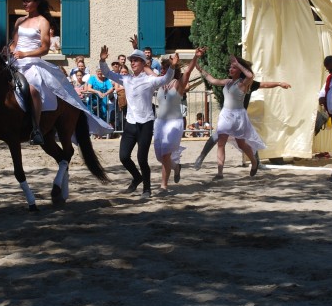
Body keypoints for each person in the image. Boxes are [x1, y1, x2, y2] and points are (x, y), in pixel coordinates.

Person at [10, 0, 112, 145]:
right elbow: (14, 44)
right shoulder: (19, 21)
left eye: (28, 1)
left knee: (33, 90)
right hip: (15, 61)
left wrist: (25, 54)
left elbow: (44, 48)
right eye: (24, 0)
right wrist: (10, 50)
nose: (24, 3)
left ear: (36, 3)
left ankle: (36, 129)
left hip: (31, 63)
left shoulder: (43, 21)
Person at [100, 45, 176, 199]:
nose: (132, 62)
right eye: (131, 60)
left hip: (146, 124)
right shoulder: (125, 78)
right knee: (123, 157)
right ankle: (137, 177)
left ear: (143, 63)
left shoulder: (149, 80)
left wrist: (172, 67)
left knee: (142, 159)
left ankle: (147, 189)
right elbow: (107, 73)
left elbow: (165, 79)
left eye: (136, 60)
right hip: (130, 124)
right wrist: (102, 60)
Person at [195, 50, 265, 179]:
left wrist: (237, 64)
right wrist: (199, 68)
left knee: (241, 143)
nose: (230, 69)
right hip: (226, 115)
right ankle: (220, 173)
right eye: (231, 67)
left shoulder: (243, 83)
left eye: (233, 67)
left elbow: (250, 76)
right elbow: (213, 80)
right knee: (221, 142)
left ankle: (254, 162)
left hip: (238, 117)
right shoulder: (227, 82)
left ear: (239, 70)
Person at [193, 79, 292, 169]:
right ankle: (201, 157)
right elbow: (215, 81)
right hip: (228, 115)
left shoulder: (250, 83)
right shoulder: (231, 82)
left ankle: (256, 162)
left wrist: (279, 83)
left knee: (250, 138)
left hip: (240, 117)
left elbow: (265, 84)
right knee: (216, 136)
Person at [154, 51, 198, 192]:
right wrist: (137, 49)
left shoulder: (179, 84)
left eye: (164, 69)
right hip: (160, 122)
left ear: (171, 69)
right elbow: (146, 69)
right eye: (161, 69)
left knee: (166, 153)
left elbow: (189, 70)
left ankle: (163, 185)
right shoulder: (160, 83)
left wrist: (196, 56)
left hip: (174, 122)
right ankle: (176, 167)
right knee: (160, 156)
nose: (161, 72)